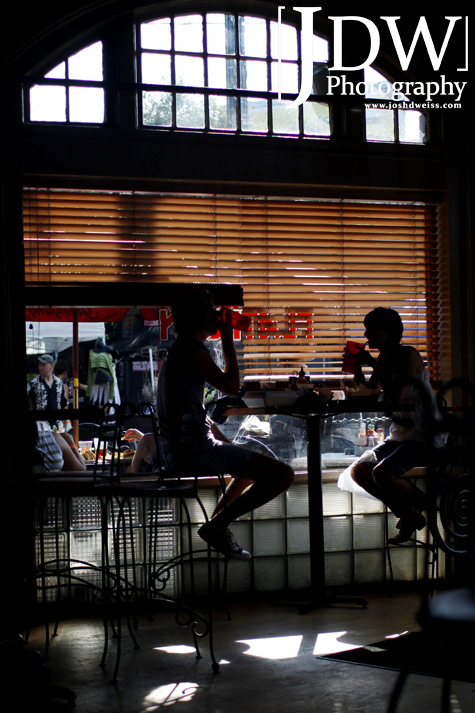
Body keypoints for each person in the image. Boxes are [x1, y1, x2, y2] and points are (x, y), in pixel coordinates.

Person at [157, 288, 294, 559]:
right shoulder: (191, 349)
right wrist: (229, 339)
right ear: (197, 316)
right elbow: (232, 387)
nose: (216, 315)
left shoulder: (180, 349)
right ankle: (218, 525)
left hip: (180, 450)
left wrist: (221, 438)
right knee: (283, 475)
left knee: (249, 466)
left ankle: (216, 525)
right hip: (192, 452)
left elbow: (189, 410)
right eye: (210, 310)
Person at [341, 307, 446, 543]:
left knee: (382, 473)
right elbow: (372, 391)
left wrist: (371, 362)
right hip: (402, 434)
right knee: (359, 470)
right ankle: (410, 513)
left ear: (389, 331)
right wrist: (357, 367)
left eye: (371, 330)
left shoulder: (409, 355)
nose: (367, 335)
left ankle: (423, 505)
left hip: (425, 434)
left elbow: (398, 395)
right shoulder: (383, 359)